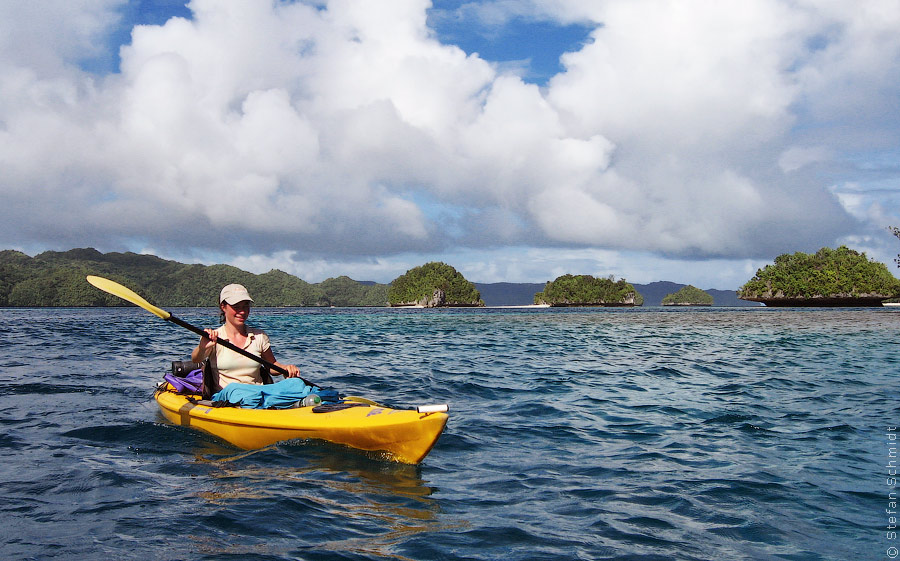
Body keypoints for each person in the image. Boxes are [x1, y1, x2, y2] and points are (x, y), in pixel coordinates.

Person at [191, 283, 301, 391]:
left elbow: (272, 366)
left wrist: (286, 369)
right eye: (236, 307)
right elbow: (196, 359)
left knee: (298, 384)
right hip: (228, 396)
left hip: (257, 394)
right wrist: (202, 347)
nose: (242, 311)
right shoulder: (213, 337)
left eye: (245, 306)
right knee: (235, 389)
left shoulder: (260, 336)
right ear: (223, 307)